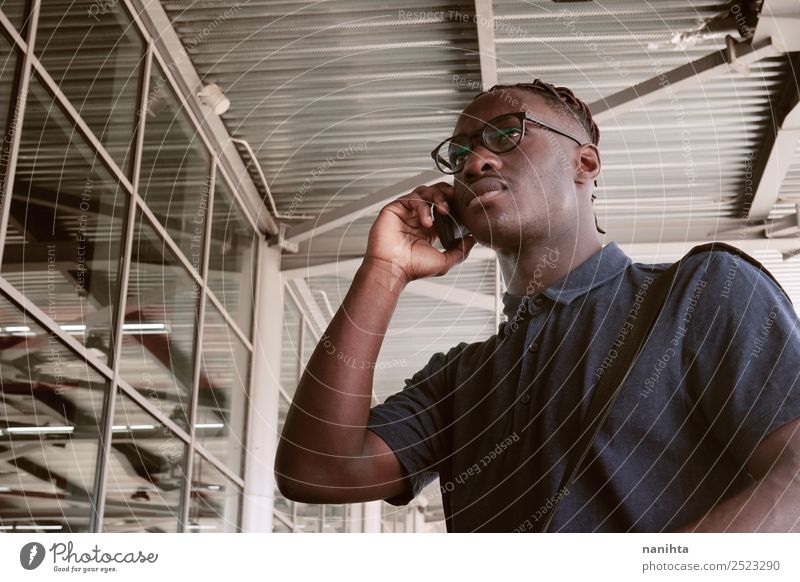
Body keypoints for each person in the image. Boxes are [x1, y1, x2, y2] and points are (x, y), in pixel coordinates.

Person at [275, 79, 800, 532]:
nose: (475, 161)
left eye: (507, 134)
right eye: (458, 156)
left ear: (585, 161)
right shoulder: (461, 380)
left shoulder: (703, 292)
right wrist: (384, 271)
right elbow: (316, 470)